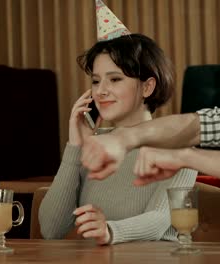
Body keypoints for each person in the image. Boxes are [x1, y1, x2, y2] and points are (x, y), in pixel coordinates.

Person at [80, 2, 220, 225]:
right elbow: (202, 125)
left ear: (148, 86)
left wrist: (185, 157)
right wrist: (122, 138)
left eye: (115, 79)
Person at [39, 33, 197, 245]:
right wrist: (76, 145)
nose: (100, 91)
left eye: (114, 79)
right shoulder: (94, 146)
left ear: (147, 87)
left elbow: (159, 220)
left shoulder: (179, 146)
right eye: (96, 81)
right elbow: (51, 229)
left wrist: (109, 230)